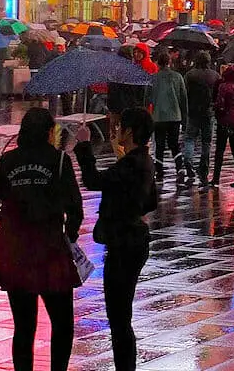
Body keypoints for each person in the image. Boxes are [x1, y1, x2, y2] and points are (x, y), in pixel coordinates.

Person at [0, 108, 84, 371]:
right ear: (49, 132)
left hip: (15, 251)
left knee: (23, 326)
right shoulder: (60, 161)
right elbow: (76, 210)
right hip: (50, 249)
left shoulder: (7, 161)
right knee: (62, 322)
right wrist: (70, 236)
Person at [72, 107, 158, 371]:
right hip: (131, 242)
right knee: (121, 316)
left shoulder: (132, 163)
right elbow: (150, 201)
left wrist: (84, 145)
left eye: (120, 126)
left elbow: (93, 180)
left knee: (119, 318)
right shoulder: (141, 161)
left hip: (124, 245)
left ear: (130, 131)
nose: (117, 131)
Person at [148, 51, 192, 186]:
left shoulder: (153, 78)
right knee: (174, 144)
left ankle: (159, 170)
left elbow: (147, 98)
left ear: (157, 63)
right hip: (175, 115)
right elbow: (183, 99)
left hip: (158, 116)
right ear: (169, 62)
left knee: (159, 144)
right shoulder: (178, 77)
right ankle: (180, 167)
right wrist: (185, 119)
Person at [182, 51, 219, 183]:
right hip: (208, 112)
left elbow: (185, 93)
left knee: (190, 138)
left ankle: (188, 160)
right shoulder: (215, 76)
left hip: (192, 111)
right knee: (206, 141)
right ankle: (204, 166)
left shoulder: (190, 75)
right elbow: (217, 95)